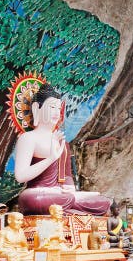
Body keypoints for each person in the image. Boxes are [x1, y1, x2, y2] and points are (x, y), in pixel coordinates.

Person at [14, 84, 111, 215]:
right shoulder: (28, 138)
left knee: (102, 202)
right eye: (52, 107)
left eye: (59, 108)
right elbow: (20, 176)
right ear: (37, 108)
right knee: (32, 200)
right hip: (39, 194)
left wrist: (70, 188)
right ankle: (71, 205)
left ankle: (69, 205)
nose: (56, 112)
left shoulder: (62, 142)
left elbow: (66, 176)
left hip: (59, 195)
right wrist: (50, 159)